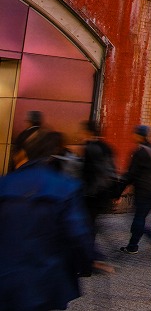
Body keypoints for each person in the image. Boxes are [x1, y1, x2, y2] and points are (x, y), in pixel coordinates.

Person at [0, 130, 94, 311]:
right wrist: (86, 262)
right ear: (51, 157)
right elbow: (78, 234)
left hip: (6, 276)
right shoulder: (65, 187)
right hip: (46, 278)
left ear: (23, 154)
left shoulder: (4, 184)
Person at [116, 125, 151, 254]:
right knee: (139, 218)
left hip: (143, 190)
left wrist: (118, 191)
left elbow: (131, 174)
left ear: (139, 135)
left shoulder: (140, 152)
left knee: (138, 219)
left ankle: (135, 245)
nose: (133, 136)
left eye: (135, 134)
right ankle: (137, 243)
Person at [80, 120, 117, 270]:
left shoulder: (91, 148)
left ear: (87, 132)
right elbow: (112, 171)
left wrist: (87, 192)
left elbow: (90, 174)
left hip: (92, 194)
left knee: (88, 226)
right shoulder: (107, 147)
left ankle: (90, 259)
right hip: (102, 193)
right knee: (93, 225)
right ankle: (94, 256)